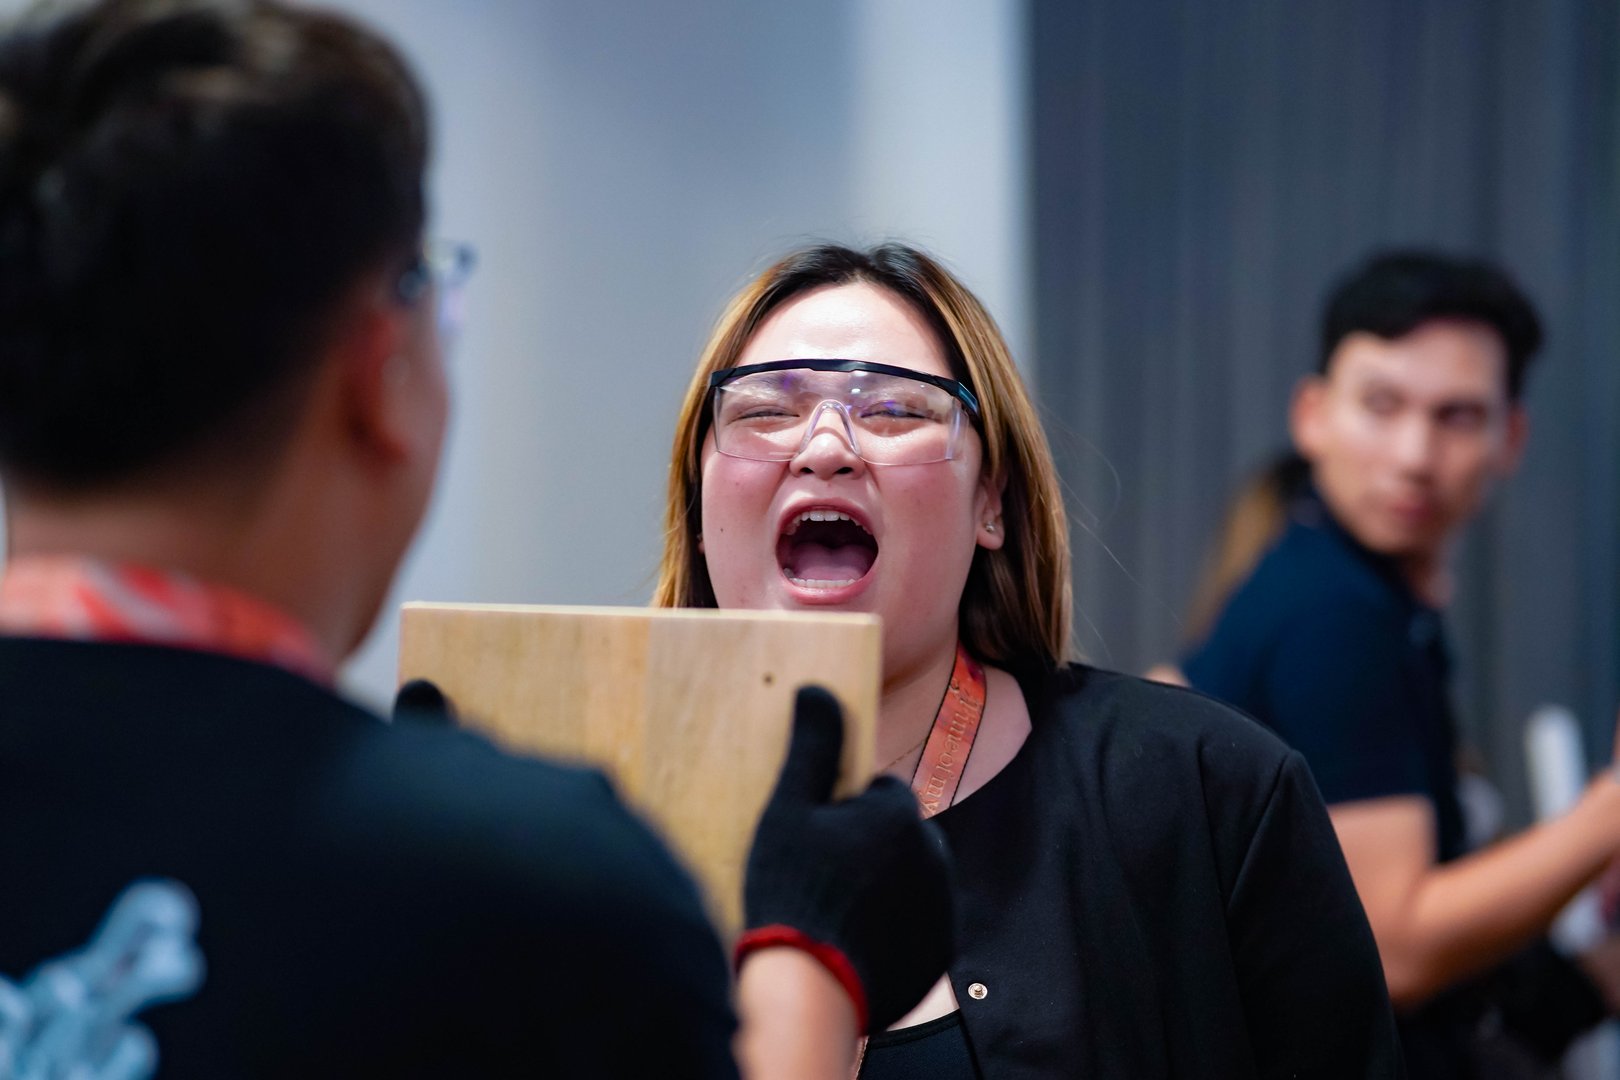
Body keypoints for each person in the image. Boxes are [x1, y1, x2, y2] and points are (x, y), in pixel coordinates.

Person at [0, 3, 950, 1077]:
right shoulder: (534, 891)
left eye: (894, 410)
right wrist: (809, 960)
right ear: (380, 372)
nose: (824, 446)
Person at [655, 241, 1403, 1077]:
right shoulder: (586, 824)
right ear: (698, 501)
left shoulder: (1210, 792)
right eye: (764, 412)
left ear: (992, 503)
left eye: (895, 411)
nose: (825, 447)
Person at [1181, 250, 1620, 1077]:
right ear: (1312, 414)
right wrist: (1609, 816)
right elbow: (1393, 951)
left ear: (1510, 437)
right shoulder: (1334, 614)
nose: (1415, 454)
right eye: (1382, 406)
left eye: (1457, 416)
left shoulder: (1358, 591)